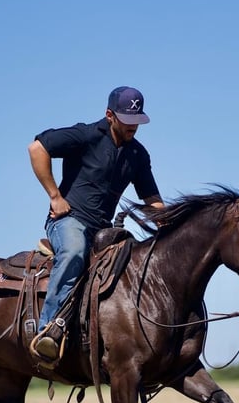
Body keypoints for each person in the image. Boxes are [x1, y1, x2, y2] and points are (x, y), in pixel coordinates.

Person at [28, 86, 164, 364]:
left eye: (137, 120)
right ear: (109, 115)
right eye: (127, 120)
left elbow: (153, 200)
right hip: (69, 222)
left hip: (104, 231)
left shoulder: (138, 155)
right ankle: (48, 330)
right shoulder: (86, 135)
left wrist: (171, 224)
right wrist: (55, 196)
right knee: (75, 251)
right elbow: (37, 148)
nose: (133, 127)